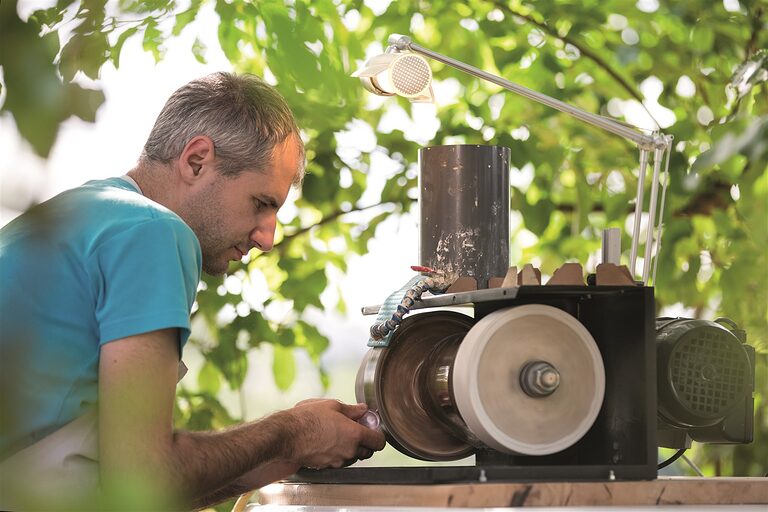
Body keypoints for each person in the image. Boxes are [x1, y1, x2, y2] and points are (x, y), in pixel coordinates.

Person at [0, 72, 386, 510]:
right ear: (197, 160)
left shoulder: (83, 218)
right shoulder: (152, 231)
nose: (267, 238)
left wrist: (290, 448)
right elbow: (142, 479)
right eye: (262, 204)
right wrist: (293, 432)